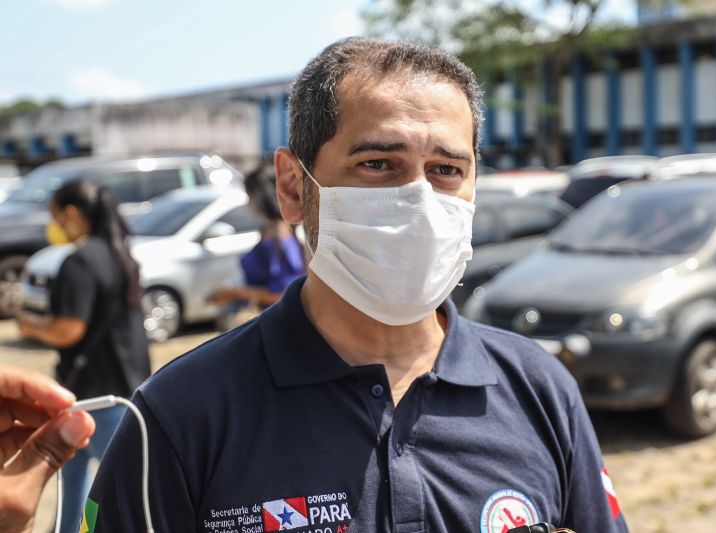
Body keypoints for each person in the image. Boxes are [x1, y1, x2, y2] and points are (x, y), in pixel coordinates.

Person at [85, 38, 628, 532]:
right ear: (294, 186)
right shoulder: (183, 411)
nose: (418, 198)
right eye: (377, 164)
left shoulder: (539, 390)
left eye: (445, 170)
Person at [16, 180, 151, 533]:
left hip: (90, 398)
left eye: (56, 217)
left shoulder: (80, 262)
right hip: (127, 391)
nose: (55, 226)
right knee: (115, 490)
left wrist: (30, 325)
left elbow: (68, 330)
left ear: (71, 214)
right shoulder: (123, 255)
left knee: (84, 491)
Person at [209, 159, 305, 327]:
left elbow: (283, 292)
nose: (247, 204)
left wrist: (234, 293)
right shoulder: (276, 232)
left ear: (261, 197)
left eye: (249, 197)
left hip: (275, 324)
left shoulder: (279, 236)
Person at [0, 364, 95, 533]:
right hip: (92, 394)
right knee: (96, 482)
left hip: (98, 393)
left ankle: (82, 528)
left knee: (94, 482)